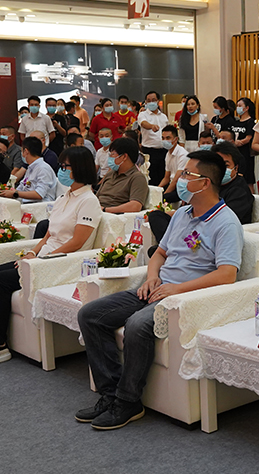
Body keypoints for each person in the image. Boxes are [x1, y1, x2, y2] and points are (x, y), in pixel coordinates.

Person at [75, 151, 243, 430]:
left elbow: (227, 274)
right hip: (157, 288)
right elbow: (160, 253)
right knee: (90, 314)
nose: (180, 178)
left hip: (184, 298)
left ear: (205, 183)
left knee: (136, 324)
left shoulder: (226, 222)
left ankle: (128, 401)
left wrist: (176, 289)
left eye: (187, 174)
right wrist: (152, 277)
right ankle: (110, 394)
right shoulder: (182, 214)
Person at [0, 147, 102, 367]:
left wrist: (40, 260)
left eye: (65, 167)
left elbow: (77, 242)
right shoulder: (64, 197)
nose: (61, 170)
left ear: (79, 168)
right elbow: (49, 233)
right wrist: (32, 252)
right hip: (43, 257)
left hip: (62, 262)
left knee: (0, 281)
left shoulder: (88, 200)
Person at [97, 137, 150, 214]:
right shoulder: (110, 174)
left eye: (112, 154)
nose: (110, 158)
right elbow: (97, 197)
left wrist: (105, 209)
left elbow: (135, 206)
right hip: (97, 211)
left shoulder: (137, 177)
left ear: (124, 157)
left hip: (113, 215)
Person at [0, 137, 57, 203]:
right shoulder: (31, 167)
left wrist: (15, 193)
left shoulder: (43, 168)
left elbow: (39, 194)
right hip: (26, 203)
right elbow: (22, 186)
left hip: (40, 205)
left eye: (22, 151)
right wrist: (9, 192)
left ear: (26, 151)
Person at [212, 140, 255, 224]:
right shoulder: (210, 184)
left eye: (226, 165)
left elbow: (225, 220)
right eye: (217, 165)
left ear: (236, 168)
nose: (221, 169)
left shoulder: (240, 191)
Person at [137, 91, 169, 187]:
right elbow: (143, 124)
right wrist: (152, 126)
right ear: (146, 102)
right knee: (151, 178)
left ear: (158, 101)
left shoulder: (163, 116)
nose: (151, 102)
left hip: (163, 150)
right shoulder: (143, 115)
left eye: (153, 100)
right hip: (149, 151)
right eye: (149, 100)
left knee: (163, 176)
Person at [226, 98, 256, 186]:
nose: (238, 108)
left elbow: (248, 138)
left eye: (240, 106)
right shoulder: (236, 122)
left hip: (246, 154)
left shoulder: (250, 122)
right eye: (237, 106)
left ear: (246, 108)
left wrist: (239, 142)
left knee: (248, 179)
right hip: (235, 153)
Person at [158, 125, 190, 200]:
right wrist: (157, 190)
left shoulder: (183, 154)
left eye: (168, 138)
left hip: (181, 188)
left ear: (176, 139)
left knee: (164, 198)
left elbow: (176, 180)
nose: (165, 140)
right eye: (163, 138)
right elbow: (166, 178)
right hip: (171, 184)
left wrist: (164, 195)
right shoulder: (168, 154)